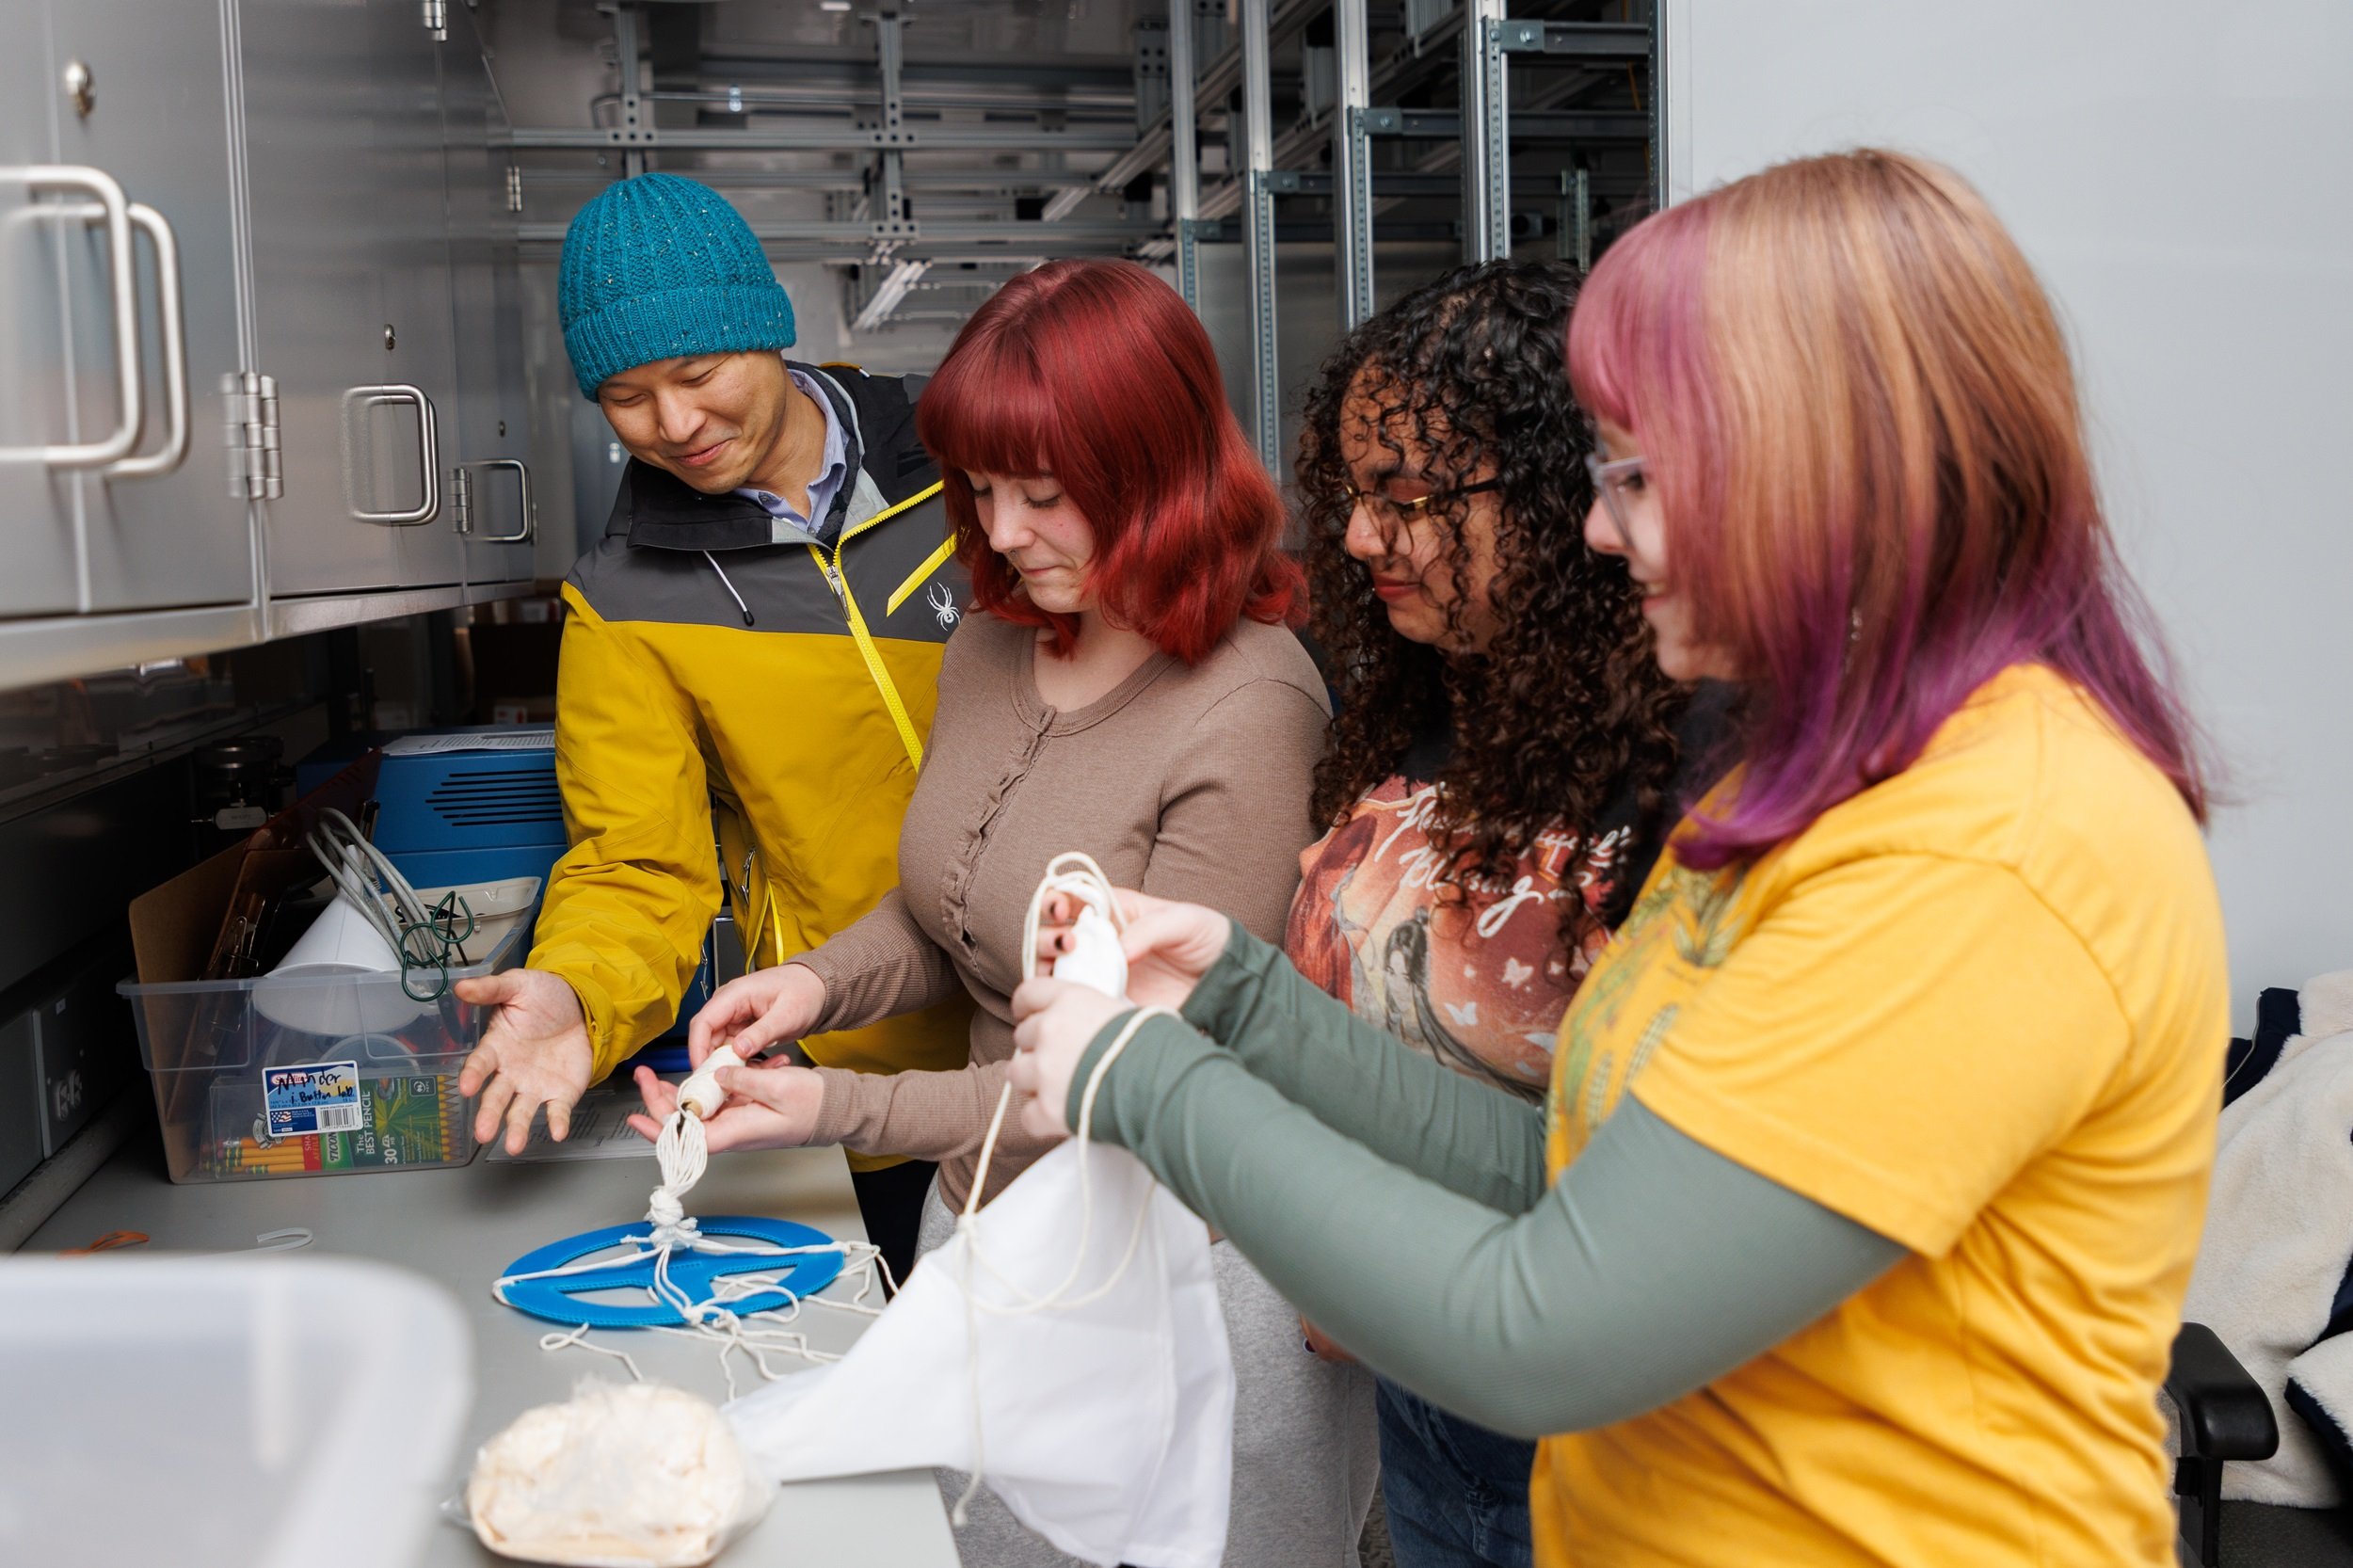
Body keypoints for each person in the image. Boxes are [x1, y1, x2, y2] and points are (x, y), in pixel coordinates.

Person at [1009, 150, 2227, 1567]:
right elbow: (1567, 1176)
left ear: (1826, 472)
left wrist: (1147, 1084)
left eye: (1639, 476)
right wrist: (1242, 1003)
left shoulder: (1986, 849)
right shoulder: (1809, 780)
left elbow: (1543, 1331)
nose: (1594, 526)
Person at [629, 259, 1378, 1568]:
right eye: (979, 488)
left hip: (1190, 1282)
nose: (1005, 529)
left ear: (1155, 470)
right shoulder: (993, 642)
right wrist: (813, 986)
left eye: (1043, 492)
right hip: (985, 1229)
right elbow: (958, 916)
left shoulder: (1251, 704)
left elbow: (1123, 1082)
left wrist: (831, 1106)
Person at [453, 173, 970, 1282]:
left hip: (1082, 1016)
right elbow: (637, 862)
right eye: (626, 397)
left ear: (767, 329)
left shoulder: (969, 459)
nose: (675, 425)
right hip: (863, 1065)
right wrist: (577, 990)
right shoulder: (622, 596)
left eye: (697, 375)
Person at [1288, 259, 1710, 1568]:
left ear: (1543, 495)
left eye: (1407, 498)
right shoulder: (1408, 698)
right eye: (1353, 495)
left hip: (1596, 1401)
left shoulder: (1680, 748)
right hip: (1422, 1379)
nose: (1362, 540)